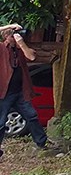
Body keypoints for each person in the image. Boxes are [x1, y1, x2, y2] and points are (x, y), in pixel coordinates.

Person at [0, 23, 50, 158]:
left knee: (32, 116)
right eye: (13, 36)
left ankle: (41, 143)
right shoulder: (1, 48)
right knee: (0, 123)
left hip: (20, 92)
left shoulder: (21, 49)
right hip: (4, 93)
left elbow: (32, 57)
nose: (16, 37)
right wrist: (8, 26)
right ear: (6, 37)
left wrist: (21, 44)